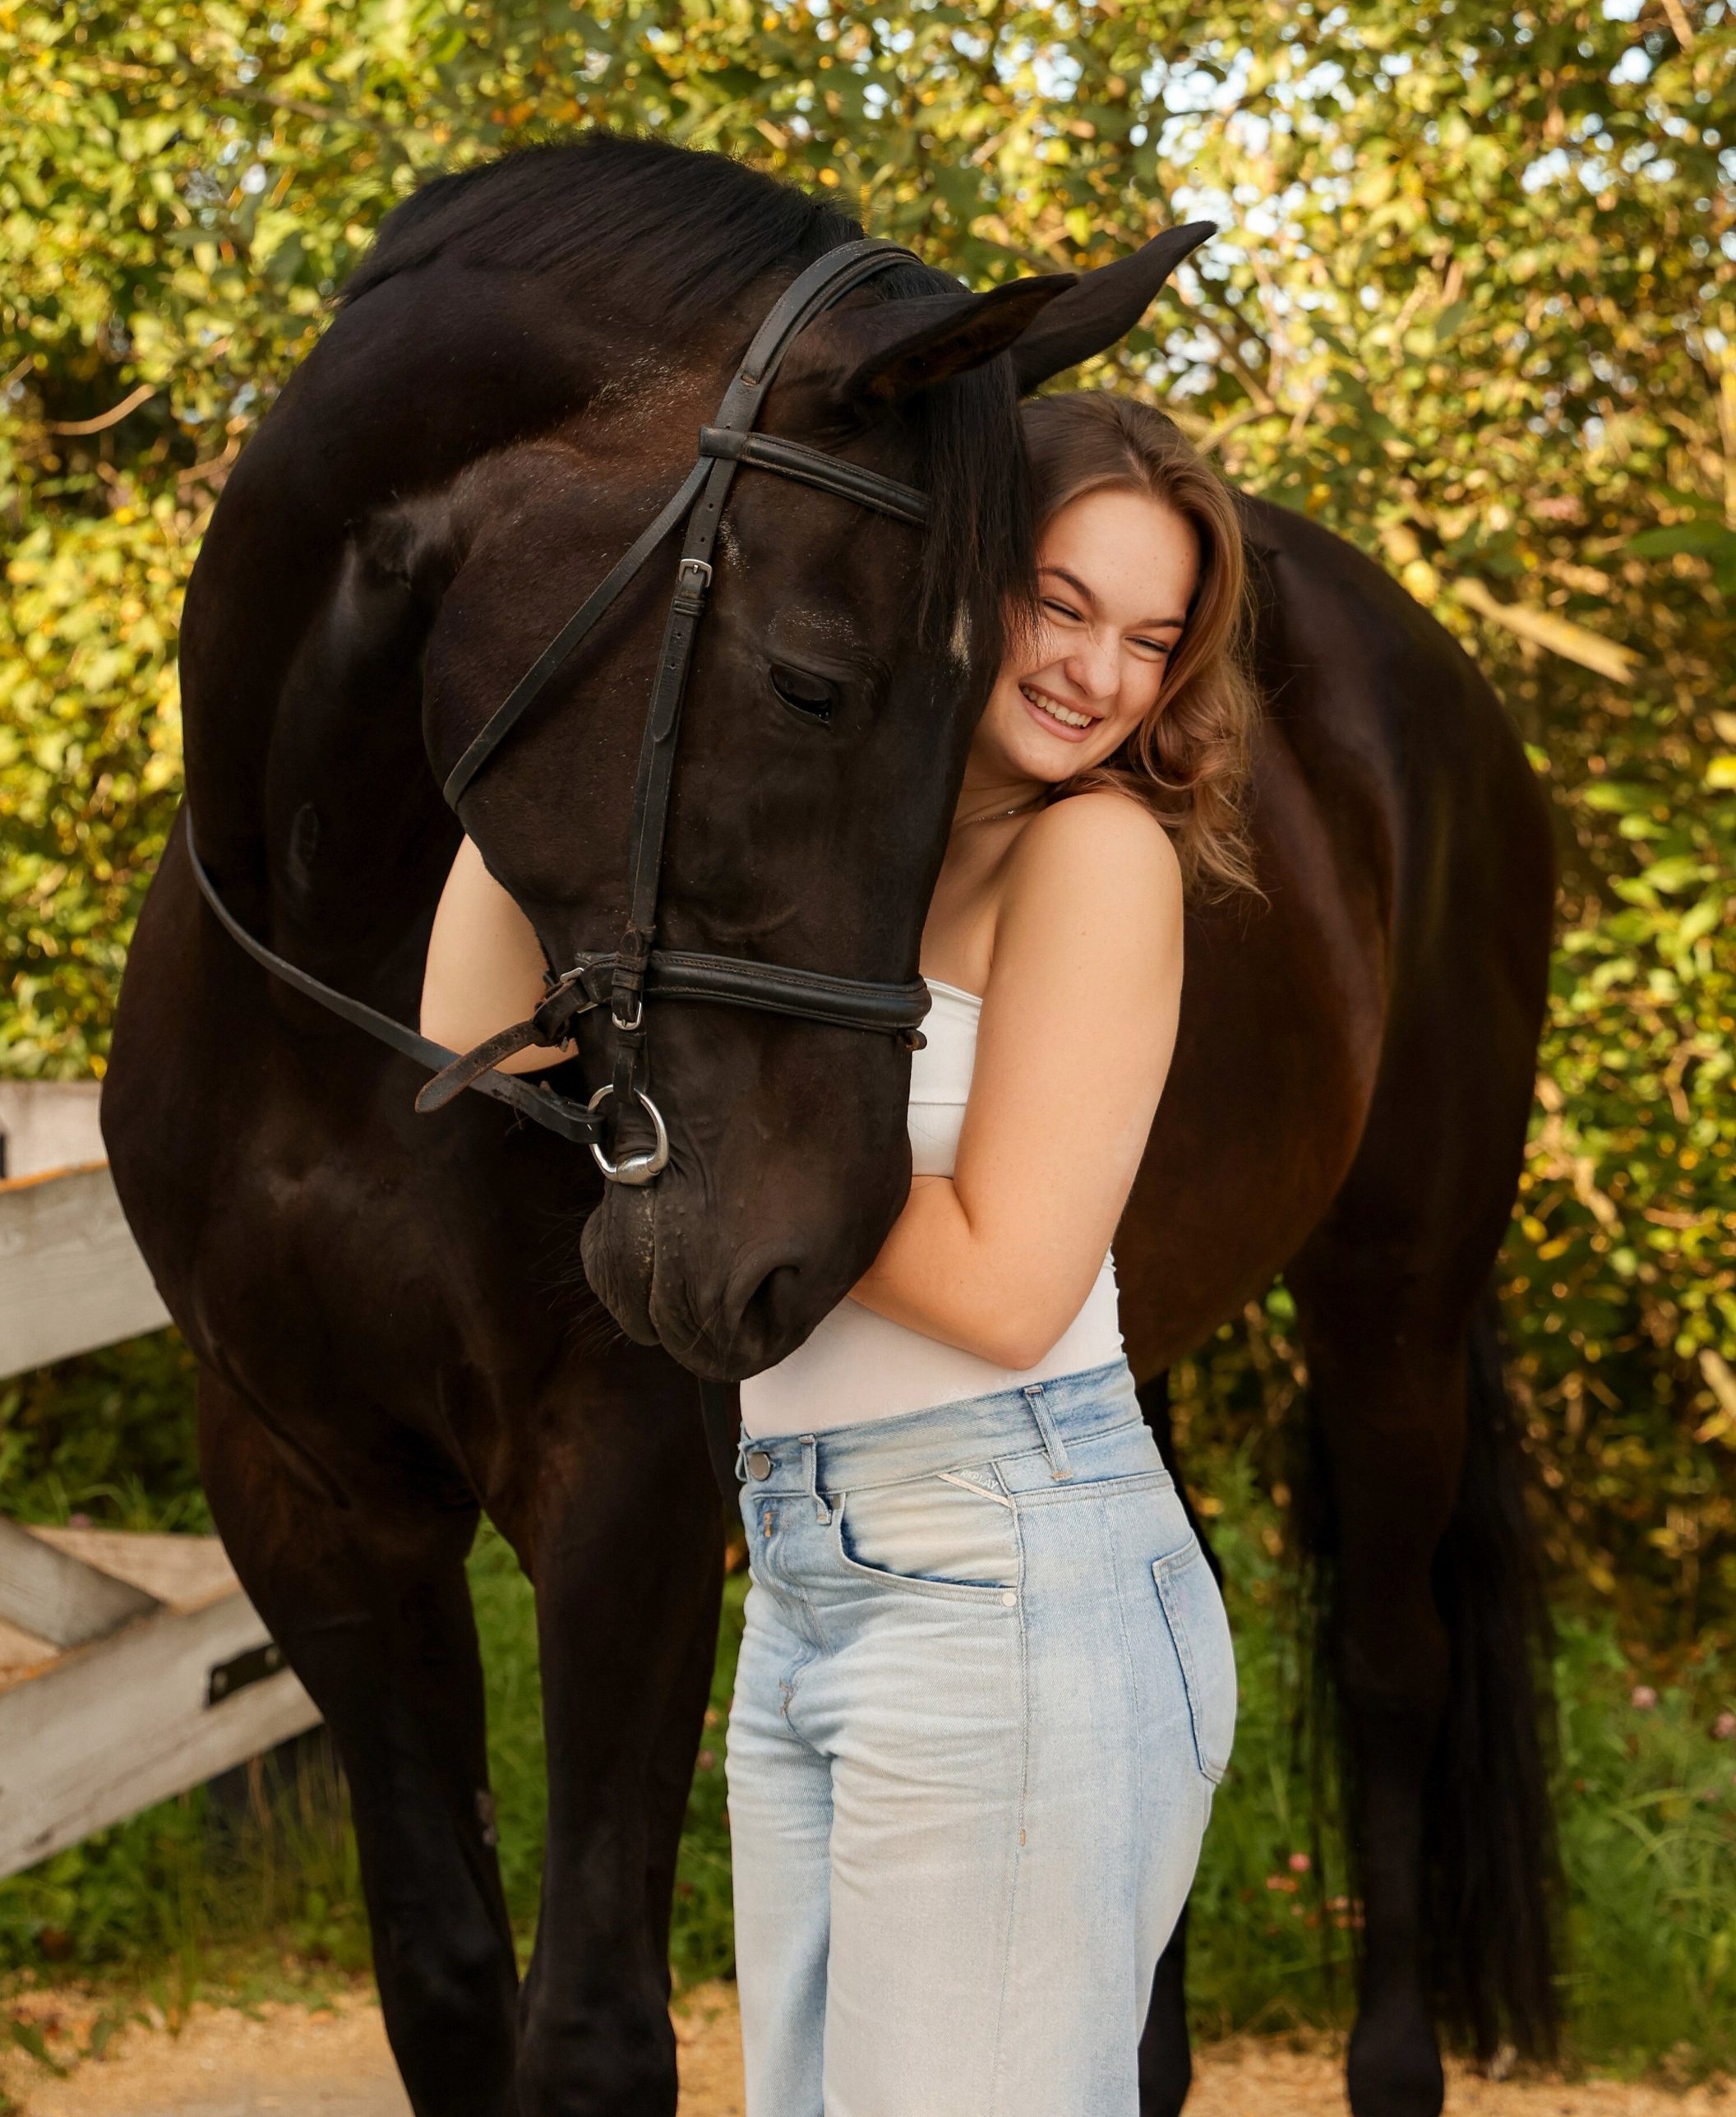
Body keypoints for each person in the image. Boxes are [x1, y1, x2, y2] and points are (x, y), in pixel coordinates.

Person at [422, 390, 1255, 2115]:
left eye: (1149, 640)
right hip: (812, 1570)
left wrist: (728, 1124)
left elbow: (1009, 1289)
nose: (1096, 674)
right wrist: (594, 716)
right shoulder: (835, 851)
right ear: (955, 575)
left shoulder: (1094, 856)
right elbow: (480, 1038)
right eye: (1061, 604)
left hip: (1012, 1562)